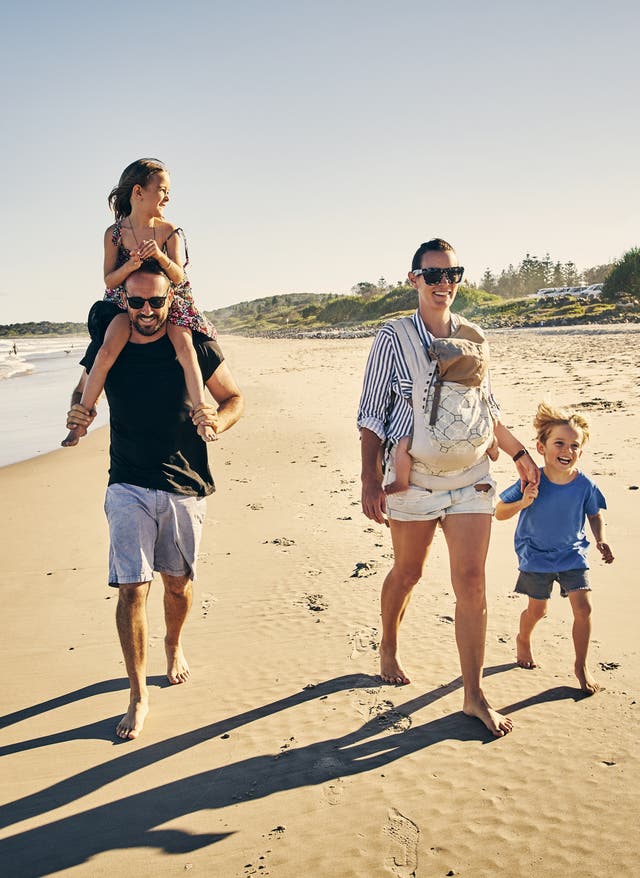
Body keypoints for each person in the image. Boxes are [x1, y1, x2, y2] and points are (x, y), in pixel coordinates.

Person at [357, 238, 540, 737]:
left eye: (452, 274)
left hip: (471, 479)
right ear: (414, 279)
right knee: (408, 572)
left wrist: (520, 454)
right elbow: (372, 413)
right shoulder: (393, 337)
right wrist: (371, 477)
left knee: (472, 582)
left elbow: (488, 408)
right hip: (413, 481)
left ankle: (474, 695)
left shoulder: (475, 336)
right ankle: (388, 643)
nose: (444, 284)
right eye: (434, 274)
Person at [66, 262, 243, 739]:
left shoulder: (195, 343)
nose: (146, 311)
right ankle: (137, 693)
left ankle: (174, 643)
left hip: (185, 480)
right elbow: (84, 388)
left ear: (171, 300)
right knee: (132, 588)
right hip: (127, 480)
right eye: (137, 301)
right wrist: (79, 412)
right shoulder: (110, 340)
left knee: (177, 585)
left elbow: (233, 398)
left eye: (156, 302)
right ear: (124, 300)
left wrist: (217, 421)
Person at [62, 157, 217, 447]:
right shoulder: (114, 234)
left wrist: (159, 256)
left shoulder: (169, 231)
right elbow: (110, 281)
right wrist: (130, 266)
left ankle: (203, 416)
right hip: (126, 303)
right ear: (138, 192)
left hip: (167, 301)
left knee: (186, 349)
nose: (167, 198)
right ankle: (80, 421)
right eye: (162, 190)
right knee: (105, 352)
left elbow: (179, 276)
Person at [495, 401, 613, 694]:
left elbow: (594, 514)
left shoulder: (585, 485)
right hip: (535, 554)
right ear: (541, 447)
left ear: (580, 452)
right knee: (538, 610)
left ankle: (581, 666)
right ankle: (523, 638)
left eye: (574, 446)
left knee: (583, 608)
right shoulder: (531, 479)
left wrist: (600, 539)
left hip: (572, 553)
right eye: (559, 443)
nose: (567, 450)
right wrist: (523, 502)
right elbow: (499, 512)